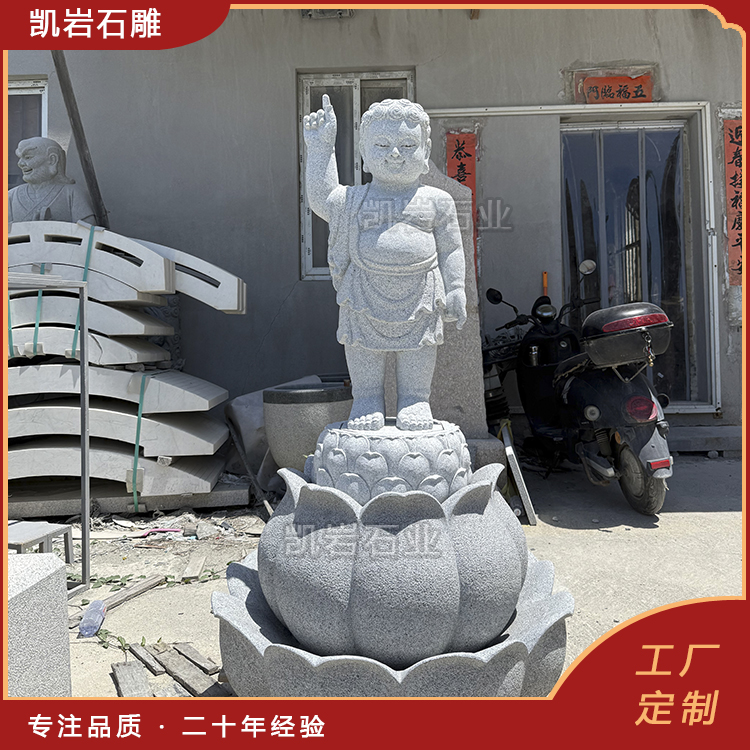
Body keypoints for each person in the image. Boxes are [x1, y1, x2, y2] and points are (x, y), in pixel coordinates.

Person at [304, 96, 466, 431]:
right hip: (364, 289)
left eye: (407, 145)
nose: (395, 153)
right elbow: (323, 199)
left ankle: (415, 399)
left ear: (425, 151)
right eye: (381, 145)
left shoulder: (437, 200)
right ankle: (366, 398)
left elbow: (451, 248)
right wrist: (321, 149)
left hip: (422, 291)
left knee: (419, 348)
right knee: (363, 346)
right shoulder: (355, 199)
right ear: (364, 152)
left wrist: (456, 289)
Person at [8, 136, 95, 224]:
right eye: (20, 158)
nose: (20, 163)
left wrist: (51, 226)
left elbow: (87, 229)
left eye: (28, 157)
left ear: (52, 159)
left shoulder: (72, 194)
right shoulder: (11, 196)